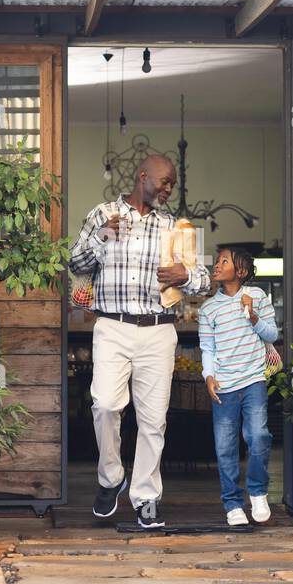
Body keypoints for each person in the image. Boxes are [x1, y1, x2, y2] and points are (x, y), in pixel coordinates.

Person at [69, 155, 210, 529]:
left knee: (152, 420)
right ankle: (111, 478)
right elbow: (76, 263)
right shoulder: (102, 214)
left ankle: (146, 497)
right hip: (112, 326)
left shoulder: (173, 227)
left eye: (172, 185)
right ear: (143, 177)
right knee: (105, 405)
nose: (168, 189)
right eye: (165, 182)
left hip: (159, 329)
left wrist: (186, 275)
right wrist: (102, 237)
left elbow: (204, 278)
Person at [198, 246, 278, 526]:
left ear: (240, 272)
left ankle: (257, 491)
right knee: (225, 447)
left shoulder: (257, 296)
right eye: (217, 260)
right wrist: (209, 376)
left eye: (224, 261)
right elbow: (207, 347)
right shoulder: (208, 308)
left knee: (259, 436)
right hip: (224, 385)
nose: (217, 265)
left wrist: (253, 315)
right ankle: (232, 503)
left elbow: (272, 334)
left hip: (254, 379)